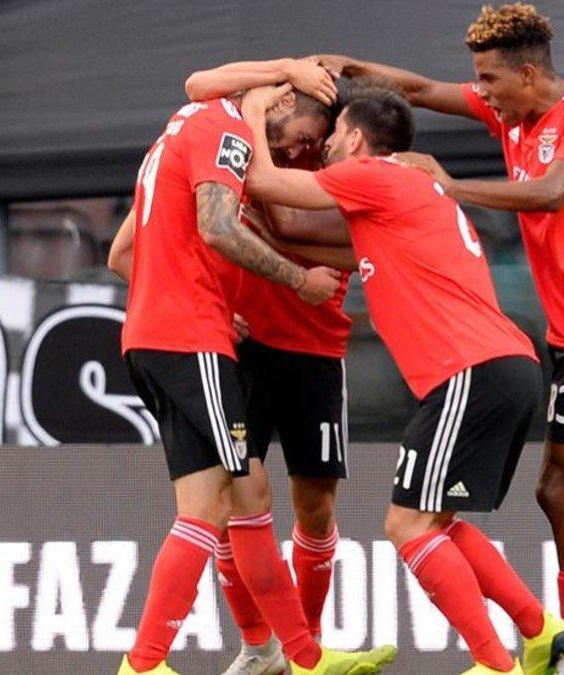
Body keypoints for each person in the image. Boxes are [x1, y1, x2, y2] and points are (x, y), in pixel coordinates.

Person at [310, 5, 564, 674]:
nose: (483, 93)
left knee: (561, 490)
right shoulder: (514, 111)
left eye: (490, 81)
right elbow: (416, 91)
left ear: (529, 73)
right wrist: (348, 68)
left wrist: (449, 183)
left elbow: (555, 191)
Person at [240, 81, 564, 675]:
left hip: (469, 370)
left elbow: (265, 184)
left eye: (333, 136)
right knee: (438, 521)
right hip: (505, 367)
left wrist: (252, 110)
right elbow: (292, 234)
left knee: (407, 524)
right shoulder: (401, 198)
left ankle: (494, 665)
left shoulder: (375, 177)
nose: (324, 150)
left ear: (357, 139)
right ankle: (539, 628)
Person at [113, 73, 395, 675]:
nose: (304, 148)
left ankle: (298, 652)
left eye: (319, 141)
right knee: (220, 509)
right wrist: (276, 77)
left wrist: (273, 82)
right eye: (307, 133)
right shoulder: (229, 136)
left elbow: (128, 251)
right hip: (207, 341)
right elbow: (232, 219)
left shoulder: (184, 132)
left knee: (253, 503)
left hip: (278, 345)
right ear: (287, 101)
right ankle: (174, 660)